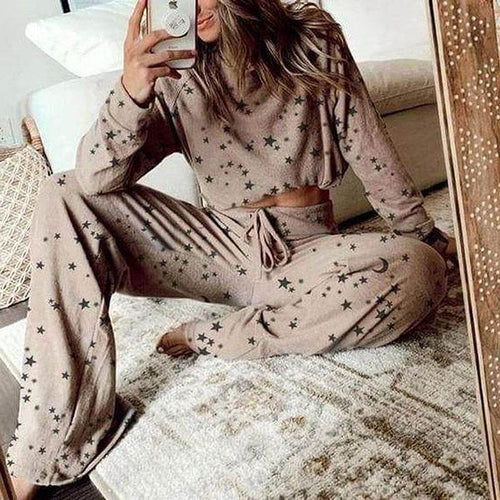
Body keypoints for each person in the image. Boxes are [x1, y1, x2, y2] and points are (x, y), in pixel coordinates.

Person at [6, 0, 456, 497]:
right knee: (63, 193)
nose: (194, 6)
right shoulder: (177, 74)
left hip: (306, 248)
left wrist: (424, 236)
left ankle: (218, 334)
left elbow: (371, 149)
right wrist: (131, 91)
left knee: (419, 269)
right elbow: (96, 179)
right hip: (214, 249)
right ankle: (47, 449)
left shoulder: (315, 37)